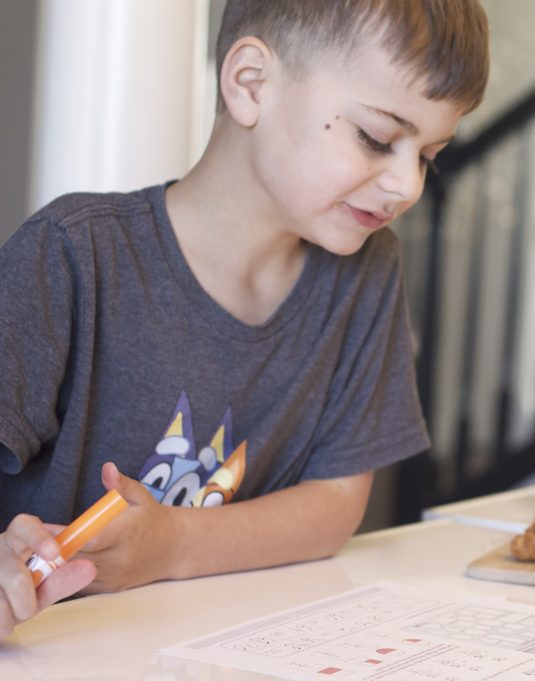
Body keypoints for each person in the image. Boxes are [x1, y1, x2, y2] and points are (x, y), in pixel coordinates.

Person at [0, 0, 489, 638]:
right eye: (377, 137)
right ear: (250, 83)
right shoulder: (72, 253)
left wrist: (172, 543)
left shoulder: (367, 273)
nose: (408, 185)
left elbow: (337, 502)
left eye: (428, 154)